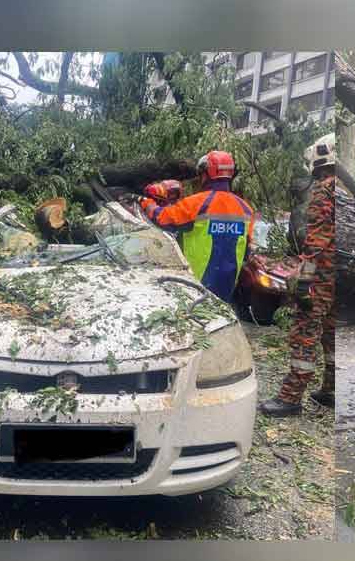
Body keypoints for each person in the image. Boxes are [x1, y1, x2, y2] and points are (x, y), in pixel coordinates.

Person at [261, 134, 337, 417]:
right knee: (331, 334)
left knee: (304, 334)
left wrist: (304, 281)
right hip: (341, 278)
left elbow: (317, 241)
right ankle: (330, 390)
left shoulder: (324, 190)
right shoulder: (345, 190)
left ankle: (290, 397)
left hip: (321, 277)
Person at [138, 151, 254, 302]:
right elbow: (247, 250)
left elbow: (162, 218)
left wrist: (146, 203)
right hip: (227, 288)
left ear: (206, 174)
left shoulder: (197, 204)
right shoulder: (246, 209)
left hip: (194, 285)